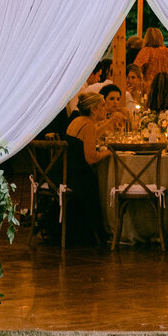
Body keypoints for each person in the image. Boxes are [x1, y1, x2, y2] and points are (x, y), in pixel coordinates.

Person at [62, 91, 109, 246]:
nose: (105, 108)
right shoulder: (87, 125)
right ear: (94, 109)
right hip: (78, 177)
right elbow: (91, 158)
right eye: (103, 105)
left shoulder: (77, 121)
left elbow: (91, 138)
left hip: (65, 171)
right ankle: (102, 231)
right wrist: (111, 152)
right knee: (103, 185)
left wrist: (110, 124)